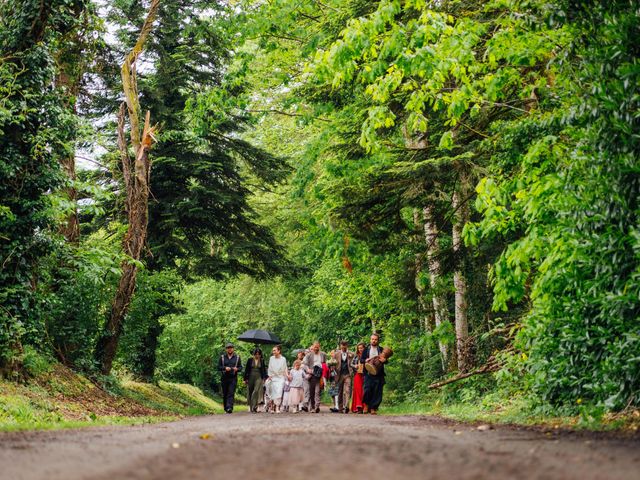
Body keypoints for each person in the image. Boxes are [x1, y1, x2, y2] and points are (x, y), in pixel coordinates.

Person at [361, 332, 387, 415]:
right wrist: (365, 360)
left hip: (378, 374)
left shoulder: (381, 350)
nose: (374, 341)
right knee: (367, 390)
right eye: (372, 339)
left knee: (377, 391)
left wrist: (385, 361)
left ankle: (373, 408)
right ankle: (366, 405)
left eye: (375, 339)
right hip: (368, 373)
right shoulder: (366, 349)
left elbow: (386, 360)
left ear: (378, 340)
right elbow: (361, 360)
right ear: (370, 340)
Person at [218, 342, 242, 414]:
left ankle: (229, 408)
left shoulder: (237, 357)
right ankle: (226, 408)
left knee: (231, 392)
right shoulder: (222, 357)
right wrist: (225, 368)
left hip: (233, 378)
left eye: (231, 348)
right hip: (224, 377)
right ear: (226, 349)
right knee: (225, 393)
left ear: (233, 349)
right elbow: (218, 367)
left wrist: (237, 369)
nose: (230, 349)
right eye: (228, 348)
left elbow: (240, 367)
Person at [302, 341, 326, 413]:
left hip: (319, 375)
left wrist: (324, 372)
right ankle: (312, 407)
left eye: (317, 347)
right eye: (315, 347)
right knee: (312, 391)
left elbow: (325, 364)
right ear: (313, 347)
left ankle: (317, 406)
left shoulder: (323, 354)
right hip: (312, 374)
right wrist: (308, 370)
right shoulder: (309, 355)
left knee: (317, 391)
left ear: (319, 347)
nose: (316, 348)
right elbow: (304, 364)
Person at [333, 340, 355, 414]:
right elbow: (332, 364)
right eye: (342, 345)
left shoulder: (352, 354)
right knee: (339, 391)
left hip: (348, 374)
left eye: (345, 345)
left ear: (347, 346)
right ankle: (340, 407)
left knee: (347, 390)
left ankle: (346, 406)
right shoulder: (336, 354)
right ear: (340, 346)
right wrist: (332, 369)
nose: (343, 347)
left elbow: (354, 363)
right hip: (339, 375)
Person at [243, 347, 267, 413]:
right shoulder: (250, 360)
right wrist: (245, 379)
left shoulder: (262, 360)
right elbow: (246, 369)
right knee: (250, 391)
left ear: (260, 355)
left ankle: (254, 407)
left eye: (258, 354)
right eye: (256, 354)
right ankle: (251, 407)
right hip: (251, 376)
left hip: (258, 376)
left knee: (256, 391)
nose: (257, 355)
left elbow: (263, 370)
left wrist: (264, 378)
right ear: (254, 354)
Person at [267, 344, 288, 413]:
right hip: (273, 377)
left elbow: (285, 368)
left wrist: (287, 376)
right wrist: (270, 376)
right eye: (273, 350)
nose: (273, 352)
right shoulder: (271, 358)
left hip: (280, 377)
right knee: (273, 392)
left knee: (279, 392)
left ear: (279, 351)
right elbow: (269, 368)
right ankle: (272, 407)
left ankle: (277, 407)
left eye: (275, 350)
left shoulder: (283, 359)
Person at [351, 342, 366, 413]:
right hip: (357, 375)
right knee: (357, 390)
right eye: (359, 348)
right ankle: (357, 407)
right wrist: (355, 366)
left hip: (365, 375)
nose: (360, 349)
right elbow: (351, 364)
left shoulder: (367, 355)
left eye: (361, 348)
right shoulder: (356, 355)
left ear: (364, 348)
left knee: (364, 390)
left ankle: (364, 407)